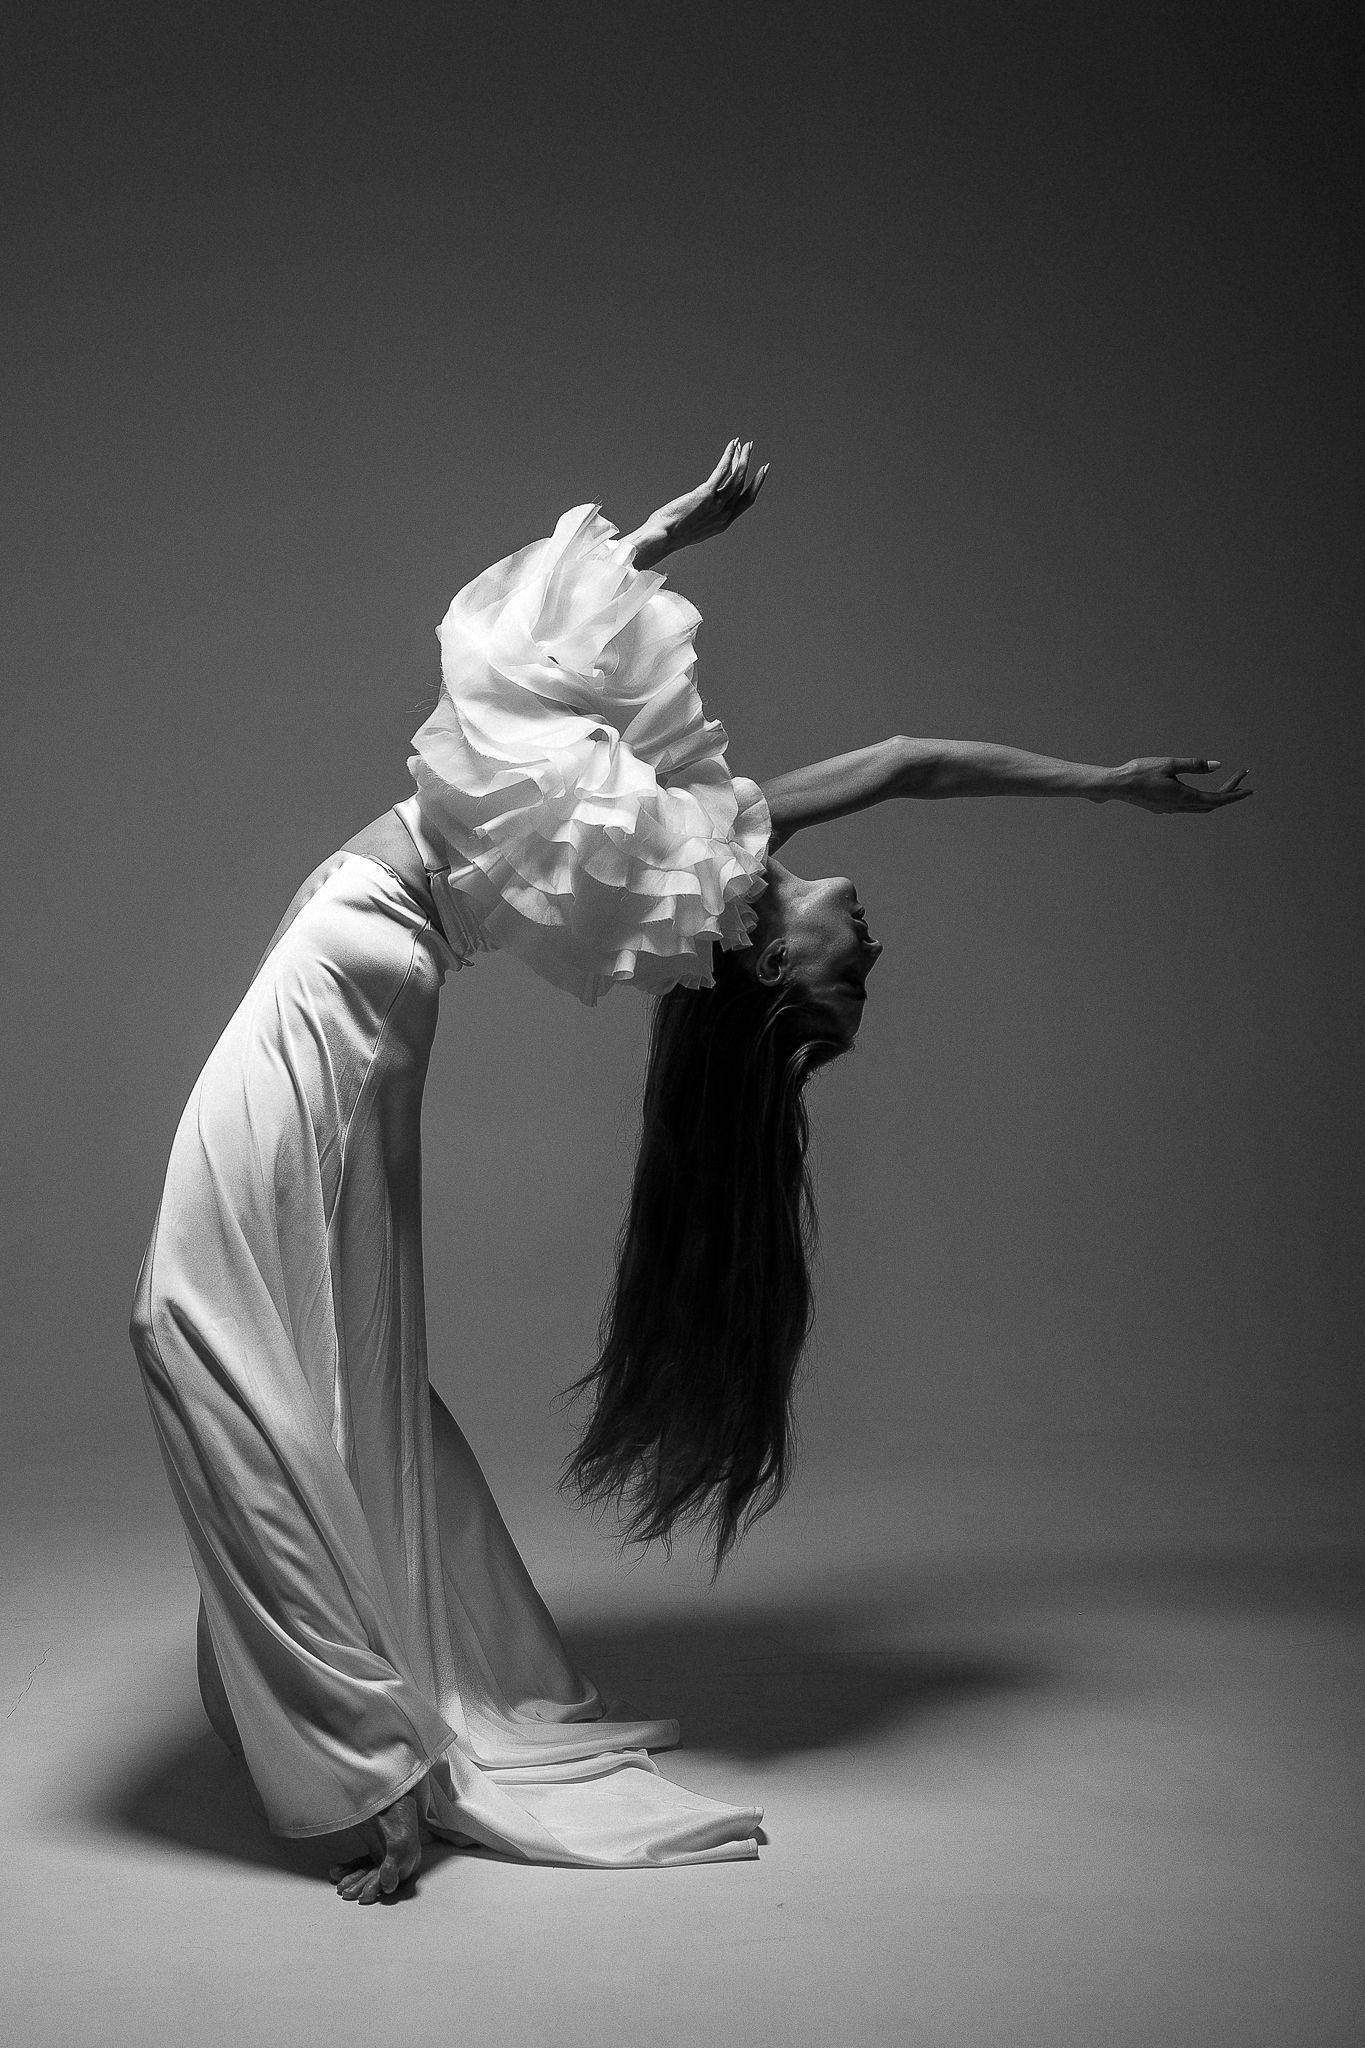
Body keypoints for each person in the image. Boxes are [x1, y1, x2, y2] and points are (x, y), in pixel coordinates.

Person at [129, 440, 1250, 1904]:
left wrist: (658, 537)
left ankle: (366, 1756)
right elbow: (909, 764)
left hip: (348, 984)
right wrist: (1103, 786)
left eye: (858, 973)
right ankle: (354, 1721)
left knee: (194, 1322)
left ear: (784, 962)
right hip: (356, 971)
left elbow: (516, 670)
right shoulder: (726, 845)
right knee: (315, 1365)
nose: (875, 943)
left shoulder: (713, 888)